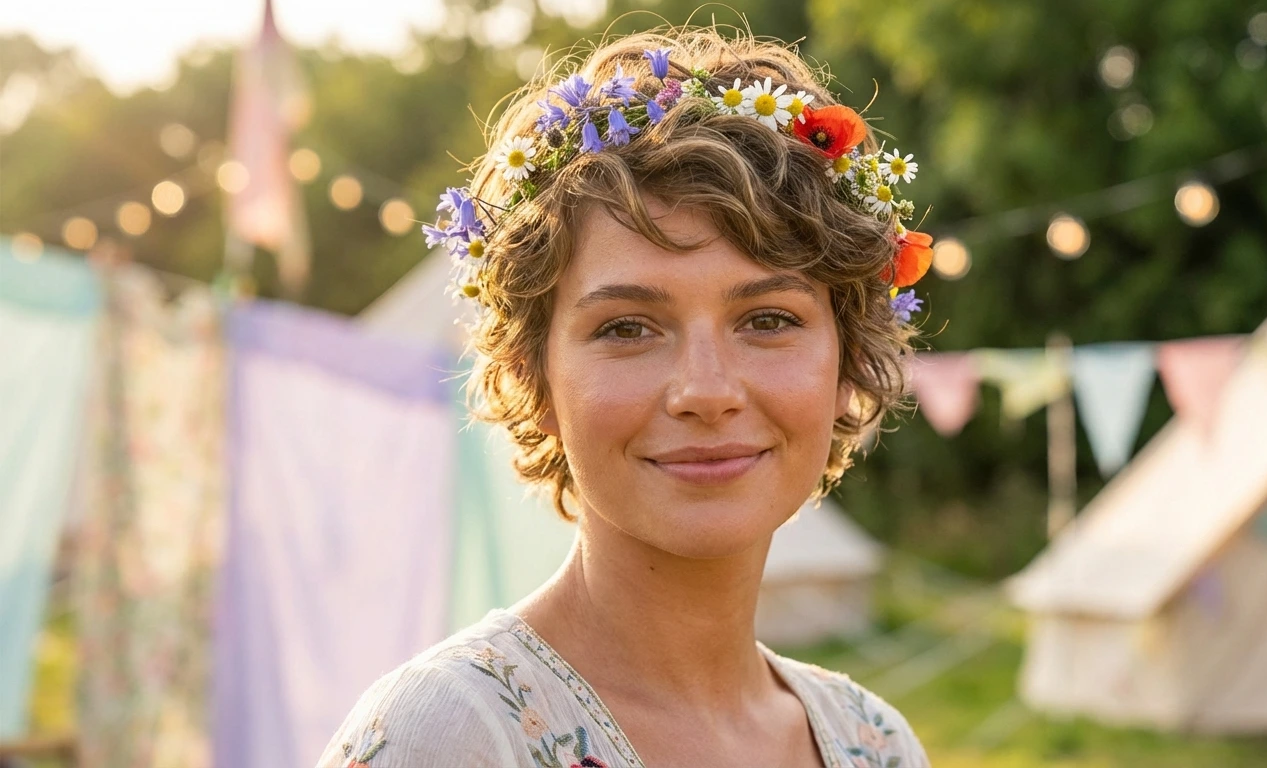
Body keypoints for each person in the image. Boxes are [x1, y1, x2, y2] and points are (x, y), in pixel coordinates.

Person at [317, 23, 935, 768]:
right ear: (532, 377)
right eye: (628, 328)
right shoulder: (452, 738)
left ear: (848, 365)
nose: (706, 392)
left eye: (768, 319)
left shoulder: (876, 745)